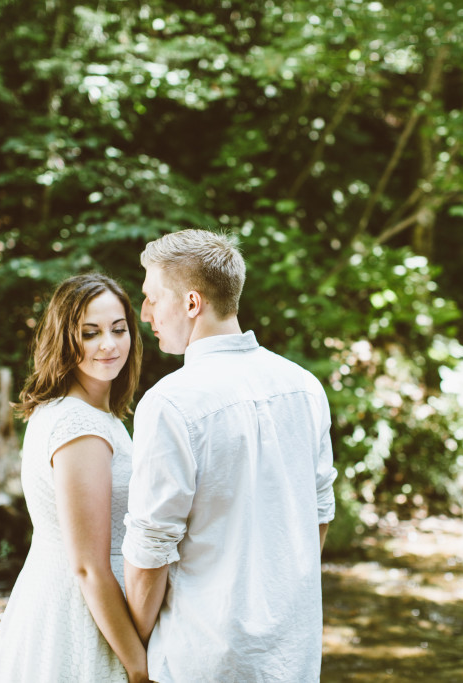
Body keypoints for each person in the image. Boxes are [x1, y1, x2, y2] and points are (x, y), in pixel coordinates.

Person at [122, 229, 338, 682]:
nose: (144, 315)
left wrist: (134, 648)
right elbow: (318, 518)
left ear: (191, 303)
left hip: (201, 657)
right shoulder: (304, 386)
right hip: (290, 656)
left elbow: (150, 550)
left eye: (152, 298)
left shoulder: (170, 403)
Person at [0, 273, 149, 683]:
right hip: (84, 616)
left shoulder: (86, 414)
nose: (108, 345)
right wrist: (139, 666)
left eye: (118, 329)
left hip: (73, 600)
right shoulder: (79, 427)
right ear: (64, 339)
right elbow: (88, 567)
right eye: (90, 333)